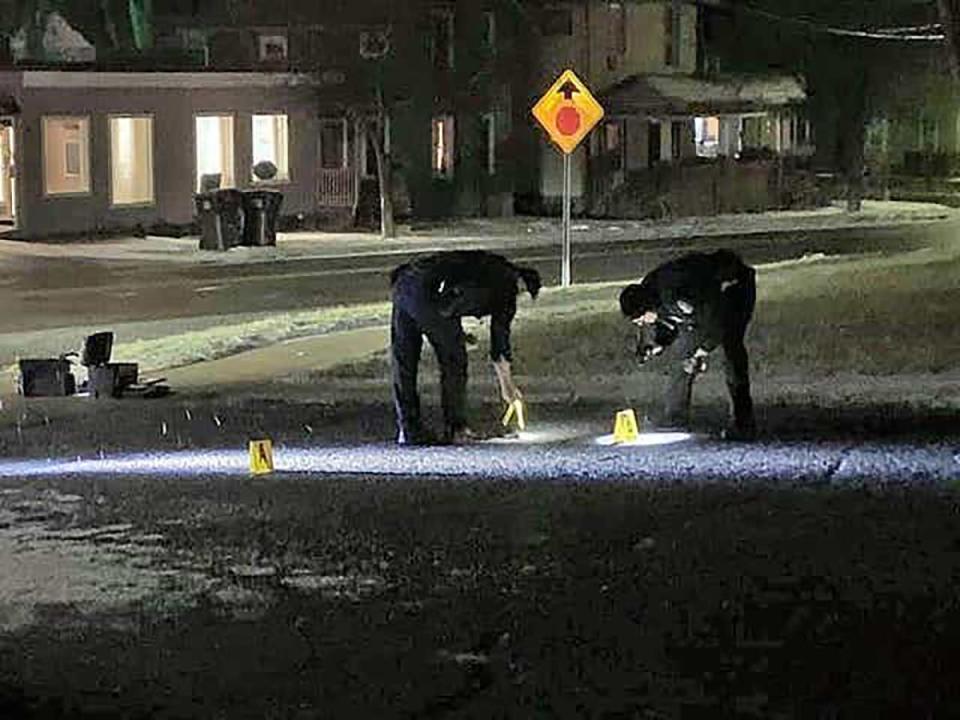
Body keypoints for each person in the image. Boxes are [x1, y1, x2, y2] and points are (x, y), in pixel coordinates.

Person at [389, 250, 542, 445]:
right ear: (523, 285)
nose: (519, 298)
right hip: (430, 293)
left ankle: (408, 428)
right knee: (455, 361)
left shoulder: (492, 265)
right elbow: (499, 343)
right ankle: (456, 429)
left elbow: (458, 286)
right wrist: (508, 387)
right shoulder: (507, 287)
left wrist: (454, 332)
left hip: (404, 283)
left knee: (404, 363)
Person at [618, 249, 757, 440]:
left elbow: (716, 322)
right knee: (682, 355)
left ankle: (743, 423)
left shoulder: (676, 296)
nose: (643, 325)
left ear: (647, 308)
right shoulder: (651, 290)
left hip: (733, 287)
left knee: (731, 349)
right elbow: (669, 320)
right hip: (705, 305)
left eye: (641, 320)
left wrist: (701, 353)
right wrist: (659, 344)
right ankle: (675, 417)